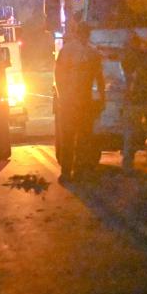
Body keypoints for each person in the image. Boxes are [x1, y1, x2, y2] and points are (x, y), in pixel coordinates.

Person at [54, 17, 105, 182]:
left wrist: (62, 97)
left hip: (73, 101)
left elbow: (58, 75)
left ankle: (68, 172)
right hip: (81, 101)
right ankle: (78, 171)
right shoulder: (92, 53)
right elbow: (99, 79)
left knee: (70, 137)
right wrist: (102, 98)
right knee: (81, 137)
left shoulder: (69, 51)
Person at [119, 31, 147, 174]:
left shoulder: (130, 60)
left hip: (135, 102)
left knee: (130, 136)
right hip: (144, 103)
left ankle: (128, 165)